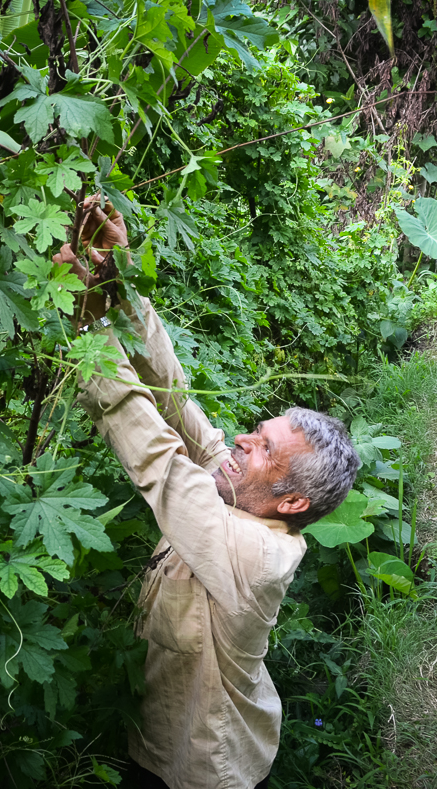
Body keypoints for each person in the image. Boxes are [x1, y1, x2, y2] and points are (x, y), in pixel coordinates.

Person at [53, 197, 361, 789]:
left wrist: (86, 326)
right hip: (152, 734)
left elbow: (158, 458)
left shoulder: (257, 552)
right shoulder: (246, 493)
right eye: (260, 431)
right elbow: (173, 402)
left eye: (265, 449)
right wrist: (119, 283)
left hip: (204, 769)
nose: (244, 441)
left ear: (292, 501)